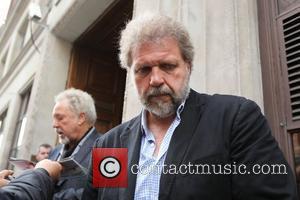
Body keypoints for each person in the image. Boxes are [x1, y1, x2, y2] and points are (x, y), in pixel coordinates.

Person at [83, 14, 298, 199]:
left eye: (167, 66)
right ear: (131, 74)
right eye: (143, 69)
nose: (156, 79)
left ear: (188, 66)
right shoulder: (109, 146)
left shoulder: (234, 119)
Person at [49, 88, 101, 200]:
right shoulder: (54, 152)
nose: (54, 125)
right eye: (53, 119)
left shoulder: (108, 147)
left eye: (60, 118)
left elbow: (106, 193)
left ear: (81, 118)